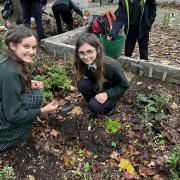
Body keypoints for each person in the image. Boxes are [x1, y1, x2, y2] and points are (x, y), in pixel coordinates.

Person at [0, 26, 59, 151]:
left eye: (34, 47)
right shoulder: (9, 73)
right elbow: (13, 115)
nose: (32, 51)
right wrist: (43, 110)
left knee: (35, 95)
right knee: (36, 98)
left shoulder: (7, 61)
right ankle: (8, 136)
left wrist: (28, 82)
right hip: (6, 119)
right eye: (26, 46)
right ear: (13, 46)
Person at [74, 33, 130, 118]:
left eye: (89, 51)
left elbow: (125, 85)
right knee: (82, 84)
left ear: (98, 50)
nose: (86, 57)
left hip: (113, 89)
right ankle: (95, 102)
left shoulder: (110, 66)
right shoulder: (83, 63)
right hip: (100, 84)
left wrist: (107, 94)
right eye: (81, 53)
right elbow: (91, 77)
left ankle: (110, 107)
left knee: (94, 105)